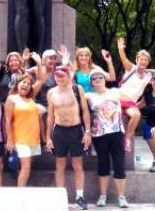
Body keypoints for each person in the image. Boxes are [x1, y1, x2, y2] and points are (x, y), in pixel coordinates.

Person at [46, 65, 91, 210]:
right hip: (59, 131)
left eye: (62, 76)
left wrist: (87, 132)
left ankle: (79, 197)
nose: (59, 78)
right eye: (56, 76)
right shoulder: (51, 93)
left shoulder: (77, 89)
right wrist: (48, 137)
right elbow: (50, 116)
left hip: (76, 130)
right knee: (59, 166)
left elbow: (85, 111)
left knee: (78, 165)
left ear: (68, 76)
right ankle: (60, 197)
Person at [85, 71, 133, 208]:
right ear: (91, 83)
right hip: (99, 135)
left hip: (117, 133)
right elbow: (72, 92)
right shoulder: (89, 95)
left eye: (100, 77)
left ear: (105, 79)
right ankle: (103, 196)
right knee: (103, 164)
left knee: (119, 164)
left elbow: (132, 96)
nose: (98, 79)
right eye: (94, 78)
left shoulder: (115, 92)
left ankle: (121, 197)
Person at [5, 72, 45, 187]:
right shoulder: (12, 98)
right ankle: (20, 195)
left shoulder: (31, 100)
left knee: (25, 167)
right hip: (20, 138)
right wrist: (9, 139)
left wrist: (43, 139)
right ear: (18, 84)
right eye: (24, 82)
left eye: (28, 84)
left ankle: (21, 189)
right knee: (26, 166)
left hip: (33, 139)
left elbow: (38, 120)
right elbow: (7, 120)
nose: (26, 85)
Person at [0, 32, 45, 102]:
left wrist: (37, 62)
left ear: (19, 62)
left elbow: (39, 80)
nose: (13, 62)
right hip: (4, 104)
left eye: (16, 60)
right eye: (11, 61)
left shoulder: (25, 74)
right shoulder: (3, 71)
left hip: (20, 106)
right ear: (8, 63)